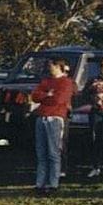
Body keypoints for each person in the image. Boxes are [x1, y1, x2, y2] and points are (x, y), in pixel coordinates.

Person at [29, 57, 75, 195]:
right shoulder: (46, 81)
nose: (50, 68)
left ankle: (53, 183)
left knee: (53, 152)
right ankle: (40, 183)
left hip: (55, 118)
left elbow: (59, 99)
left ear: (59, 67)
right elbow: (35, 96)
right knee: (41, 152)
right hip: (41, 118)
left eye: (52, 66)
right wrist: (46, 95)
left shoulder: (66, 82)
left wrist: (46, 97)